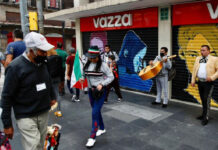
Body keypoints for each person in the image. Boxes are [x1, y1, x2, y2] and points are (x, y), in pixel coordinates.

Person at [1, 32, 57, 150]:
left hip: (43, 112)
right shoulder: (15, 67)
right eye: (42, 51)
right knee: (33, 145)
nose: (45, 54)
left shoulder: (43, 62)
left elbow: (48, 81)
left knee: (41, 144)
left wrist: (52, 96)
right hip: (25, 115)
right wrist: (7, 124)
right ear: (32, 51)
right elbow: (6, 97)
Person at [81, 46, 114, 148]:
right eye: (90, 57)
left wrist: (102, 84)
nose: (92, 59)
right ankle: (102, 128)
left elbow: (111, 76)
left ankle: (92, 137)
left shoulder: (103, 65)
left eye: (94, 57)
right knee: (96, 111)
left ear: (98, 56)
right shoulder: (87, 64)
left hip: (100, 92)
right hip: (91, 92)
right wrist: (82, 79)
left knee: (94, 112)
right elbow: (84, 74)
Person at [191, 45, 218, 126]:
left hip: (208, 83)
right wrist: (193, 80)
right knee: (203, 99)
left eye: (204, 50)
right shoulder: (198, 58)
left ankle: (206, 117)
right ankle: (203, 114)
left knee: (206, 99)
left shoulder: (214, 59)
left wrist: (212, 77)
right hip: (200, 82)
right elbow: (194, 69)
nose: (202, 52)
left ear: (208, 51)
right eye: (201, 50)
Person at [47, 48, 63, 117]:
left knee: (47, 94)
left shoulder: (47, 59)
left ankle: (48, 109)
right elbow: (61, 69)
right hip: (57, 78)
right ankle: (58, 111)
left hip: (49, 78)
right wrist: (62, 80)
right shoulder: (59, 58)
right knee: (57, 94)